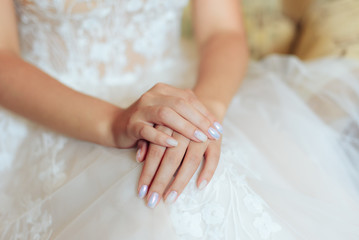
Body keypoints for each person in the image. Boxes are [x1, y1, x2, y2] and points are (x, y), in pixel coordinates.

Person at [0, 0, 358, 239]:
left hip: (189, 87)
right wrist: (112, 123)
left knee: (203, 176)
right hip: (50, 105)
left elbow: (223, 32)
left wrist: (201, 117)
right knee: (146, 183)